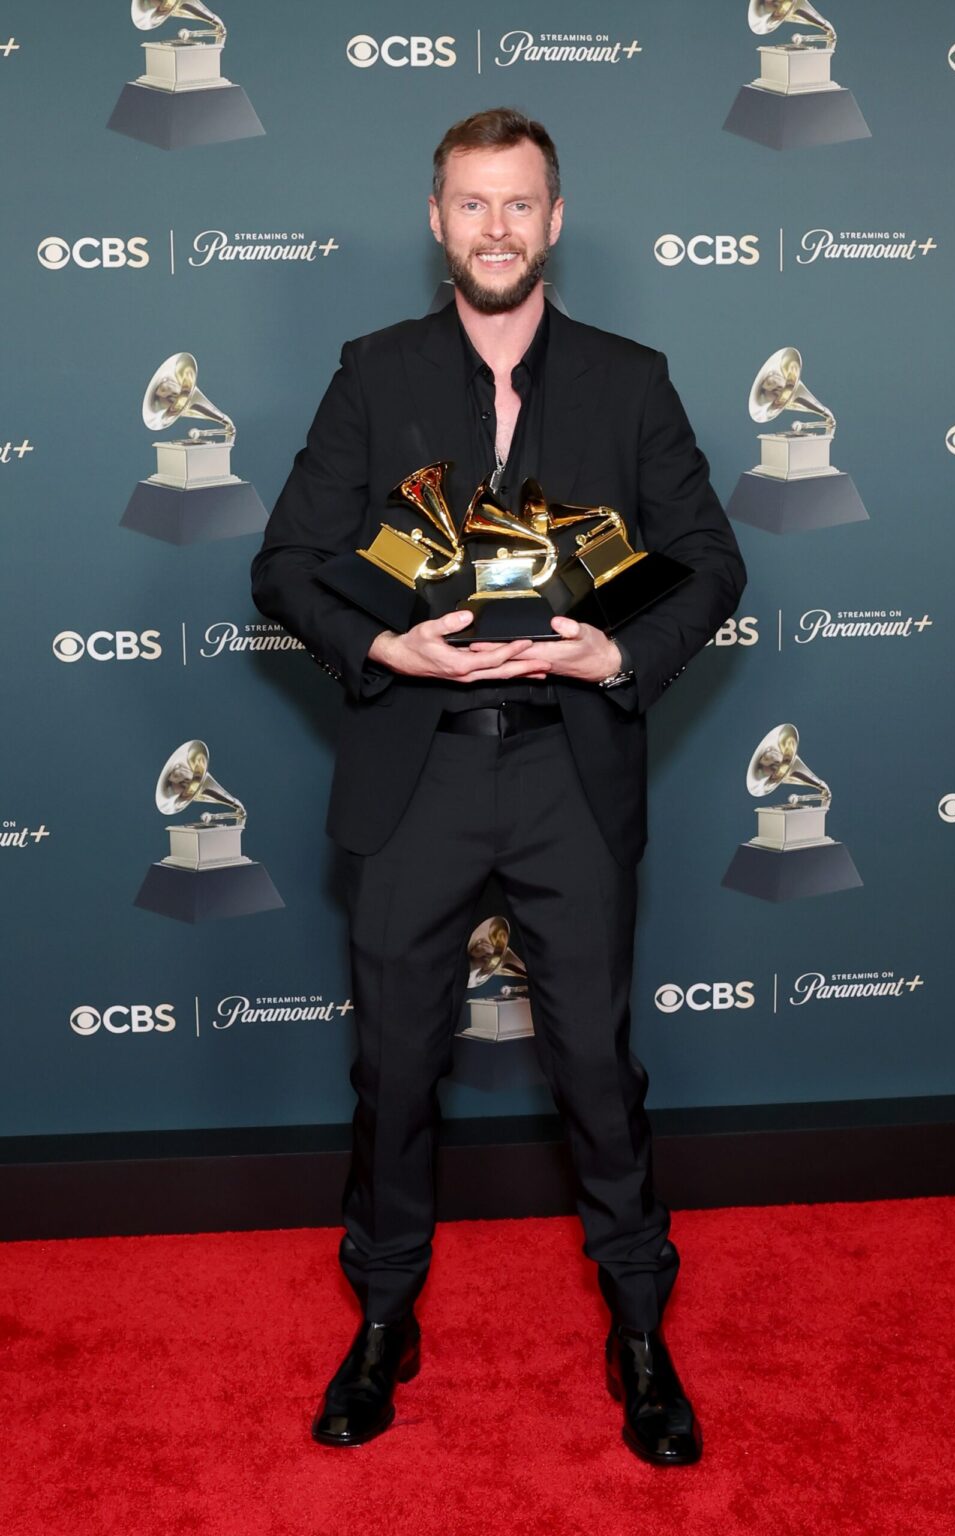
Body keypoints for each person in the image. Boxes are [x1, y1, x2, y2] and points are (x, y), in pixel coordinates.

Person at [251, 107, 746, 1467]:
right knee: (396, 1064)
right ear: (436, 221)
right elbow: (286, 563)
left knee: (595, 1062)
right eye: (472, 204)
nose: (496, 228)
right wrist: (376, 640)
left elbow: (713, 563)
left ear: (556, 218)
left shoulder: (632, 382)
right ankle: (384, 1320)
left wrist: (619, 650)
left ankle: (640, 1329)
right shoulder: (373, 374)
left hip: (567, 773)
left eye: (519, 204)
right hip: (416, 775)